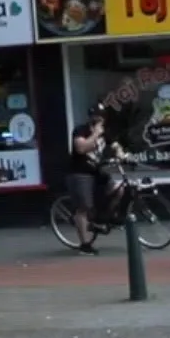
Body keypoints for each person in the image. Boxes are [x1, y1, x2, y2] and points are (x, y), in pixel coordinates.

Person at [66, 103, 124, 256]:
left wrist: (120, 153)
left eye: (101, 116)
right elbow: (81, 148)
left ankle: (103, 219)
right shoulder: (80, 130)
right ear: (90, 118)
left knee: (118, 190)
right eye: (96, 117)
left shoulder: (105, 133)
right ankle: (85, 245)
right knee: (83, 207)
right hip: (80, 173)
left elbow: (115, 145)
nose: (99, 119)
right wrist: (95, 134)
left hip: (97, 172)